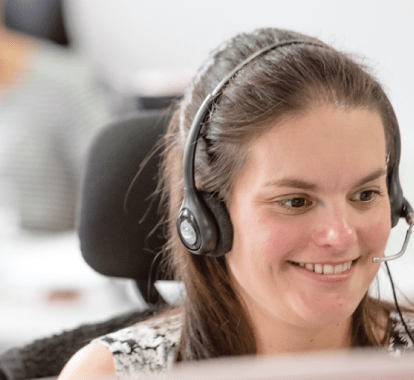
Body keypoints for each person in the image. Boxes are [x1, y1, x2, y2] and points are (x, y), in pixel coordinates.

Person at [58, 27, 414, 379]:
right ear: (207, 216)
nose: (341, 235)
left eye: (365, 195)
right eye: (295, 201)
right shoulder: (109, 375)